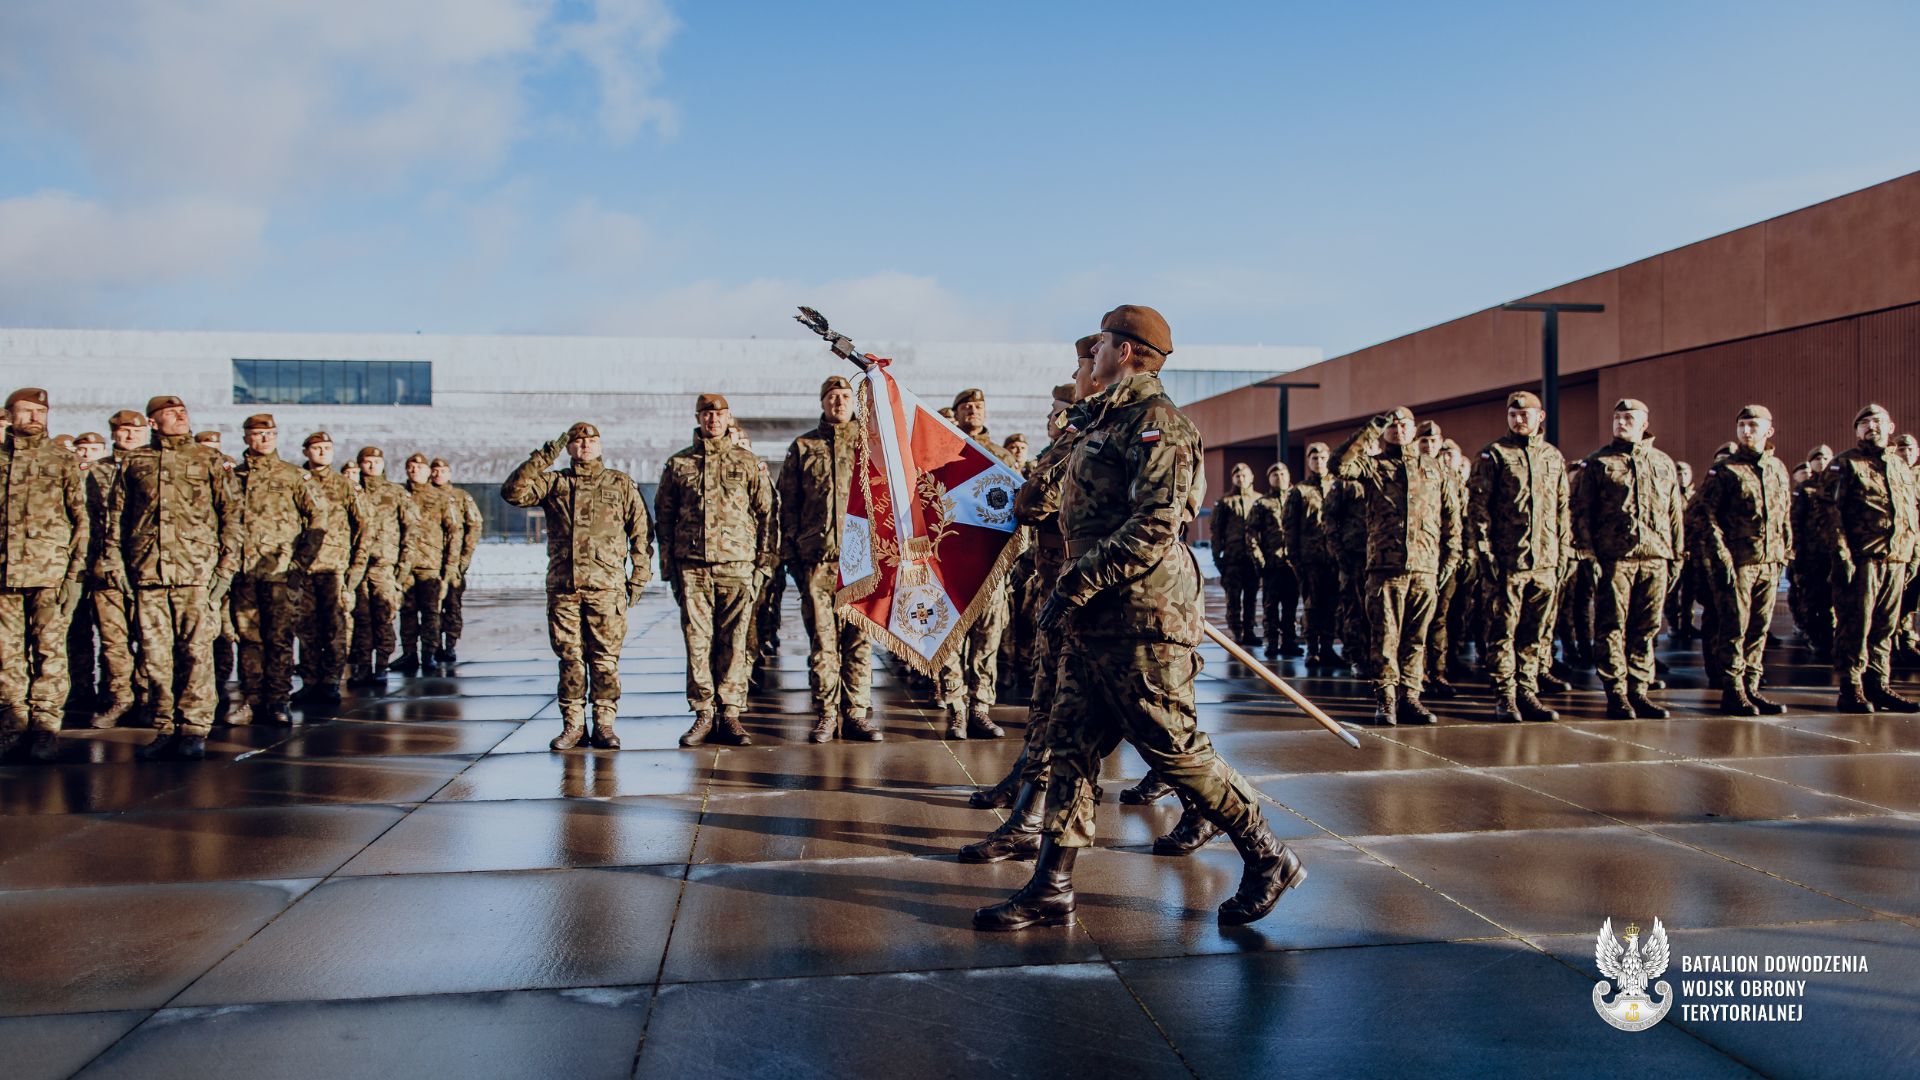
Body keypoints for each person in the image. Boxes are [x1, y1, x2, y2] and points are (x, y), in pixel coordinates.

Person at [976, 305, 1304, 932]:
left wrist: (1076, 580)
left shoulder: (1158, 424)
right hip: (1094, 614)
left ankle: (1268, 855)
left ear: (1124, 351)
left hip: (1141, 614)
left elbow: (1155, 525)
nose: (1092, 353)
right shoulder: (1102, 420)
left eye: (1100, 343)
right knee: (1069, 747)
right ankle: (1051, 885)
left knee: (1172, 747)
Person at [965, 350, 1100, 858]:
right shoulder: (1072, 439)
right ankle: (1025, 800)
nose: (1051, 417)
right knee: (1048, 705)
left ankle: (1207, 810)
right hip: (1057, 587)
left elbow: (1034, 503)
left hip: (1082, 595)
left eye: (1056, 409)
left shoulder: (1081, 438)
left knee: (1149, 728)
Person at [104, 396, 240, 761]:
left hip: (196, 574)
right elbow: (117, 519)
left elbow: (231, 517)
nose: (180, 417)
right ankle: (165, 726)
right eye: (171, 414)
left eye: (183, 412)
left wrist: (225, 570)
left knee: (196, 653)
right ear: (153, 423)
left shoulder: (209, 459)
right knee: (155, 658)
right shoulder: (135, 462)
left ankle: (194, 729)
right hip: (149, 573)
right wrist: (117, 565)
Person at [504, 422, 653, 749]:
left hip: (607, 588)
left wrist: (639, 575)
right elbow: (513, 493)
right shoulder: (555, 483)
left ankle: (604, 724)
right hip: (565, 587)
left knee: (605, 660)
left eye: (592, 440)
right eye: (578, 441)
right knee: (570, 659)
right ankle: (573, 724)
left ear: (601, 445)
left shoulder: (620, 483)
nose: (585, 445)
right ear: (569, 448)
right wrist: (544, 456)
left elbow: (642, 532)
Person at [657, 393, 778, 747]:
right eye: (707, 414)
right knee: (697, 642)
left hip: (737, 567)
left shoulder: (748, 462)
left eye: (719, 414)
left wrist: (763, 565)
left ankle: (730, 713)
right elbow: (663, 518)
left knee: (735, 641)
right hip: (692, 568)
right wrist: (669, 568)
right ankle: (703, 713)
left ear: (728, 418)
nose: (713, 420)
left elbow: (767, 515)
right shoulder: (679, 465)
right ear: (698, 418)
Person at [1337, 406, 1461, 724]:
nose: (1398, 430)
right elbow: (1339, 464)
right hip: (1385, 568)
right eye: (1391, 426)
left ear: (1414, 429)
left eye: (1404, 425)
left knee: (1416, 638)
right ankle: (1386, 698)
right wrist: (1371, 427)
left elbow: (1451, 516)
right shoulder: (1373, 466)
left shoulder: (1434, 467)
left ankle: (1410, 696)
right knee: (1384, 637)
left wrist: (1450, 557)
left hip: (1425, 567)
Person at [777, 375, 880, 743]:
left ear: (854, 401)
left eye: (845, 396)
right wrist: (792, 555)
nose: (839, 402)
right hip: (817, 563)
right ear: (822, 402)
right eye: (833, 396)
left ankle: (856, 713)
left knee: (859, 642)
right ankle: (826, 713)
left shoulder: (871, 444)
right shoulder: (803, 447)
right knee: (823, 643)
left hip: (862, 562)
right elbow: (787, 505)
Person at [1571, 399, 1686, 719]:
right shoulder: (1598, 463)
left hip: (1655, 556)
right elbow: (1581, 512)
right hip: (1615, 558)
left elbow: (1674, 512)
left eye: (1629, 418)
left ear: (1644, 424)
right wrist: (1588, 553)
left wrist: (1677, 554)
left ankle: (1639, 689)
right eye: (1617, 417)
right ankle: (1616, 692)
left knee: (1647, 627)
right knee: (1611, 626)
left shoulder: (1662, 462)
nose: (1621, 423)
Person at [1469, 391, 1572, 723]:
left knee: (1534, 634)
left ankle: (1527, 691)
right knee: (1503, 632)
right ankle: (1505, 696)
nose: (1519, 419)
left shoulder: (1552, 456)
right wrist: (1486, 553)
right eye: (1513, 414)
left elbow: (1561, 509)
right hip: (1507, 563)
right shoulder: (1494, 455)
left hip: (1545, 562)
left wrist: (1563, 553)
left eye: (1525, 414)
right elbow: (1479, 510)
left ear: (1540, 416)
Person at [0, 389, 89, 762]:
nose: (35, 417)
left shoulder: (62, 459)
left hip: (49, 572)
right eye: (27, 411)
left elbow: (81, 520)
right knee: (6, 655)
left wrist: (74, 575)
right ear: (10, 415)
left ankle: (45, 729)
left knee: (50, 652)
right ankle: (12, 727)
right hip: (4, 573)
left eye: (41, 411)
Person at [1691, 406, 1793, 715]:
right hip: (1738, 563)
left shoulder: (1777, 468)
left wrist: (1785, 550)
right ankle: (1732, 689)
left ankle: (1751, 685)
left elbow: (1783, 513)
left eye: (1752, 425)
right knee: (1734, 626)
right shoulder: (1725, 470)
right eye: (1742, 426)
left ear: (1768, 431)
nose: (1746, 431)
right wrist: (1720, 555)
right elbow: (1704, 515)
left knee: (1759, 628)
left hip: (1769, 561)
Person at [934, 388, 1022, 739]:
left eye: (979, 406)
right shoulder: (941, 456)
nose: (973, 410)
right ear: (956, 413)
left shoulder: (1001, 457)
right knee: (951, 640)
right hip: (951, 564)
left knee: (988, 642)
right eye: (967, 406)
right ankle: (956, 708)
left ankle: (980, 708)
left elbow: (1019, 511)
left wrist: (1013, 561)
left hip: (990, 565)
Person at [229, 414, 325, 726]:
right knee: (248, 639)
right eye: (258, 433)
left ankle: (278, 700)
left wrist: (300, 564)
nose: (264, 438)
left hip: (281, 574)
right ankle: (252, 699)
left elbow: (319, 520)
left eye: (270, 433)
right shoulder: (233, 477)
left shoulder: (293, 476)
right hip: (243, 573)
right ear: (246, 437)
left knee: (280, 639)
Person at [1823, 404, 1919, 713]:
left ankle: (1878, 684)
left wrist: (1914, 553)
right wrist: (1842, 554)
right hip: (1862, 559)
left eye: (1877, 422)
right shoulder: (1845, 464)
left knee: (1885, 627)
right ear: (1857, 431)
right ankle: (1851, 687)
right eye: (1864, 423)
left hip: (1897, 557)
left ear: (1890, 428)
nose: (1871, 427)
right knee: (1856, 625)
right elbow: (1829, 513)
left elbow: (1910, 511)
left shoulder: (1900, 466)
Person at [293, 431, 368, 716]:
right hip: (303, 567)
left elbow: (363, 526)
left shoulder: (345, 485)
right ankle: (310, 680)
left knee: (335, 626)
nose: (323, 452)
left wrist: (355, 565)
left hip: (334, 567)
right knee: (306, 628)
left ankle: (331, 681)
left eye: (327, 447)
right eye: (317, 448)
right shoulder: (296, 481)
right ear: (306, 452)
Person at [87, 410, 151, 729]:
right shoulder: (95, 471)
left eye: (136, 431)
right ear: (113, 433)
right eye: (124, 430)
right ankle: (120, 698)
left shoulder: (155, 467)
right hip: (106, 568)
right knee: (114, 640)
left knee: (150, 637)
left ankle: (147, 698)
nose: (130, 436)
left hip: (147, 566)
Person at [347, 447, 415, 687]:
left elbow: (410, 530)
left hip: (384, 564)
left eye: (376, 461)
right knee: (360, 619)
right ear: (360, 464)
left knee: (384, 615)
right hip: (356, 566)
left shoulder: (395, 493)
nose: (372, 466)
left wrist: (403, 566)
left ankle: (382, 664)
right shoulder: (351, 491)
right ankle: (363, 666)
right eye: (367, 461)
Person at [396, 452, 460, 675]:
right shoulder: (399, 495)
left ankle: (429, 653)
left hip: (431, 564)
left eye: (420, 467)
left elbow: (454, 532)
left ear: (427, 472)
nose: (415, 471)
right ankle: (409, 653)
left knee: (431, 611)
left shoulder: (441, 497)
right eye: (411, 467)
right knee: (407, 611)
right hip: (404, 564)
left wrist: (451, 565)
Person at [1285, 442, 1341, 667]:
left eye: (1322, 458)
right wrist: (1294, 557)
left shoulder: (1338, 485)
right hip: (1310, 558)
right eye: (1314, 458)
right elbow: (1290, 527)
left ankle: (1327, 647)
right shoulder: (1300, 491)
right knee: (1312, 604)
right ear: (1308, 461)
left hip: (1335, 557)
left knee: (1332, 604)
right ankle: (1312, 649)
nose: (1319, 462)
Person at [64, 431, 108, 718]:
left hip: (103, 564)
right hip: (75, 566)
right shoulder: (69, 476)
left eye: (93, 449)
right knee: (76, 630)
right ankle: (80, 689)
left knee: (112, 635)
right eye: (82, 448)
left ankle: (112, 692)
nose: (87, 454)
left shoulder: (111, 475)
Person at [431, 458, 483, 667]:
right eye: (435, 470)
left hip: (454, 562)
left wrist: (465, 556)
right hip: (430, 561)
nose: (438, 474)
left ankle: (450, 644)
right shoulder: (425, 495)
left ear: (449, 473)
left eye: (443, 470)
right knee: (430, 607)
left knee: (452, 604)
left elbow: (475, 525)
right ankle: (433, 645)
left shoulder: (460, 497)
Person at [1248, 462, 1300, 660]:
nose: (1279, 477)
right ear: (1269, 478)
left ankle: (1289, 641)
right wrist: (1259, 560)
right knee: (1270, 606)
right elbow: (1251, 534)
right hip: (1271, 564)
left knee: (1291, 605)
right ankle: (1271, 641)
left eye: (1283, 474)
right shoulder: (1262, 504)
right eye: (1275, 474)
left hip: (1293, 563)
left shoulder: (1297, 498)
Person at [1211, 463, 1262, 646]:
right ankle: (1236, 631)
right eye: (1237, 476)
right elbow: (1216, 532)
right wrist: (1217, 557)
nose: (1241, 479)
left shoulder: (1259, 500)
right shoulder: (1225, 502)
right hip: (1232, 558)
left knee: (1251, 597)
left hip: (1252, 558)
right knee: (1233, 598)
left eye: (1244, 475)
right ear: (1233, 479)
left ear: (1252, 478)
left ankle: (1249, 630)